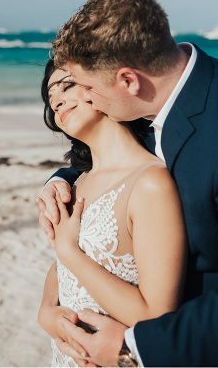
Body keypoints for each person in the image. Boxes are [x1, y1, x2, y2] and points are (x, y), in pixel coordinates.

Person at [36, 0, 218, 366]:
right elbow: (111, 159)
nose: (83, 98)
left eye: (84, 87)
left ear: (128, 81)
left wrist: (131, 349)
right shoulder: (149, 105)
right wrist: (60, 179)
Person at [37, 59, 188, 367]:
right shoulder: (76, 183)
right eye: (52, 102)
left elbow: (155, 317)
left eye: (67, 86)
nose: (58, 102)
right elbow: (61, 270)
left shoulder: (150, 183)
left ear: (103, 85)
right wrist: (45, 311)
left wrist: (68, 251)